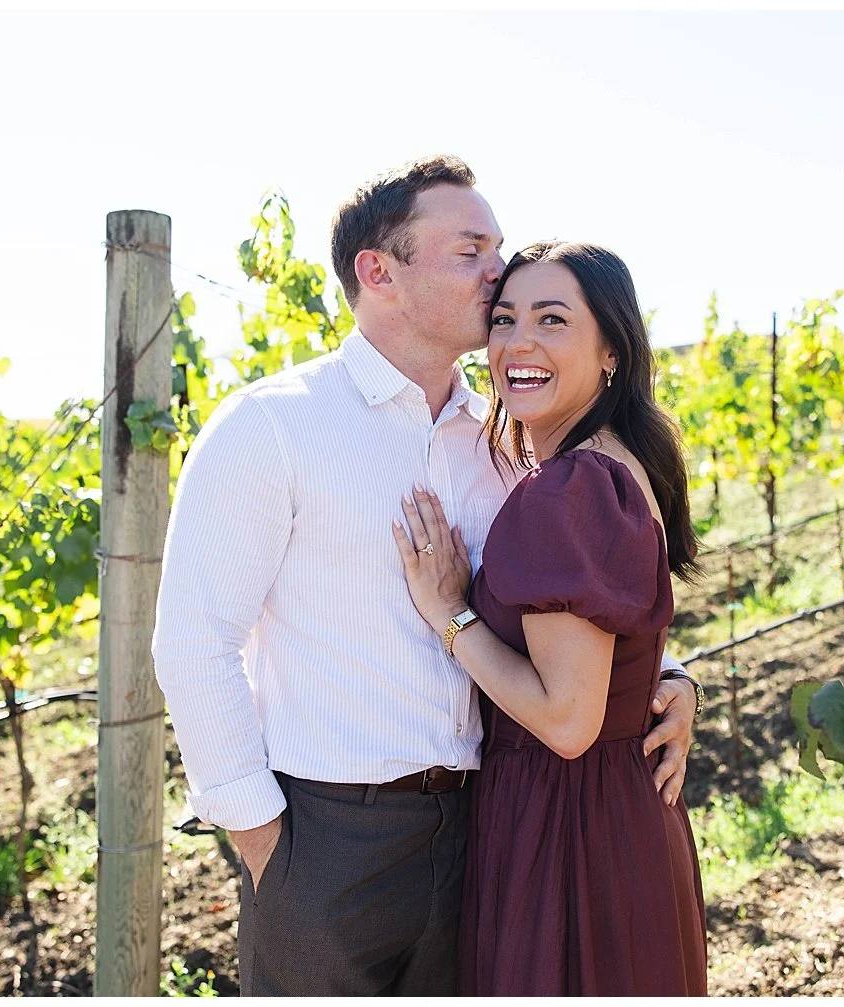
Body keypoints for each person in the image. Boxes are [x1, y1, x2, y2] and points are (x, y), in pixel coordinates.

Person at [151, 155, 704, 996]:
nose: (497, 271)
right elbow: (194, 641)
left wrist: (662, 676)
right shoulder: (272, 428)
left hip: (487, 827)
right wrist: (265, 839)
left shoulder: (502, 442)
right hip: (329, 839)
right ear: (381, 272)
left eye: (499, 248)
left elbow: (570, 601)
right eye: (471, 250)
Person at [394, 240, 708, 995]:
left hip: (567, 835)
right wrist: (672, 676)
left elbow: (566, 720)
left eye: (553, 319)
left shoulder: (569, 488)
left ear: (611, 352)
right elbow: (617, 639)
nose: (519, 342)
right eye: (504, 318)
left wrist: (450, 615)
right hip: (617, 817)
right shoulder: (618, 460)